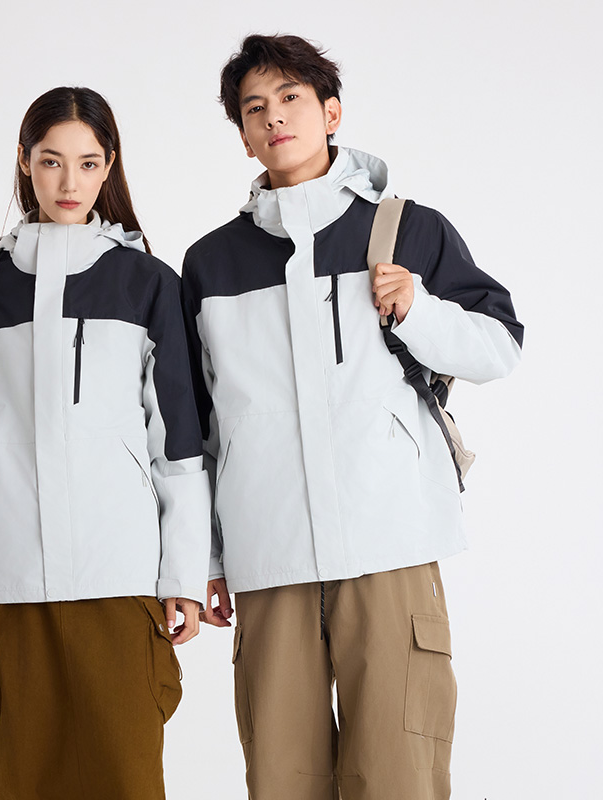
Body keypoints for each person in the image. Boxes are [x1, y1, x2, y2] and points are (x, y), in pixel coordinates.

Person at [182, 35, 523, 800]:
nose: (275, 118)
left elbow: (499, 347)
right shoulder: (211, 264)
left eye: (291, 99)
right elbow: (198, 424)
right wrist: (208, 556)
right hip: (269, 557)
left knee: (399, 778)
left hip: (390, 544)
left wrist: (418, 309)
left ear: (331, 112)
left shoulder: (407, 229)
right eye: (255, 109)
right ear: (243, 136)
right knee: (283, 780)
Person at [0, 86, 209, 800]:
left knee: (125, 782)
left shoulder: (147, 285)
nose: (69, 182)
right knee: (17, 783)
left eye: (87, 163)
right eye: (51, 161)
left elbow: (178, 446)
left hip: (118, 580)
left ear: (109, 167)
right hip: (7, 580)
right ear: (25, 162)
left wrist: (184, 577)